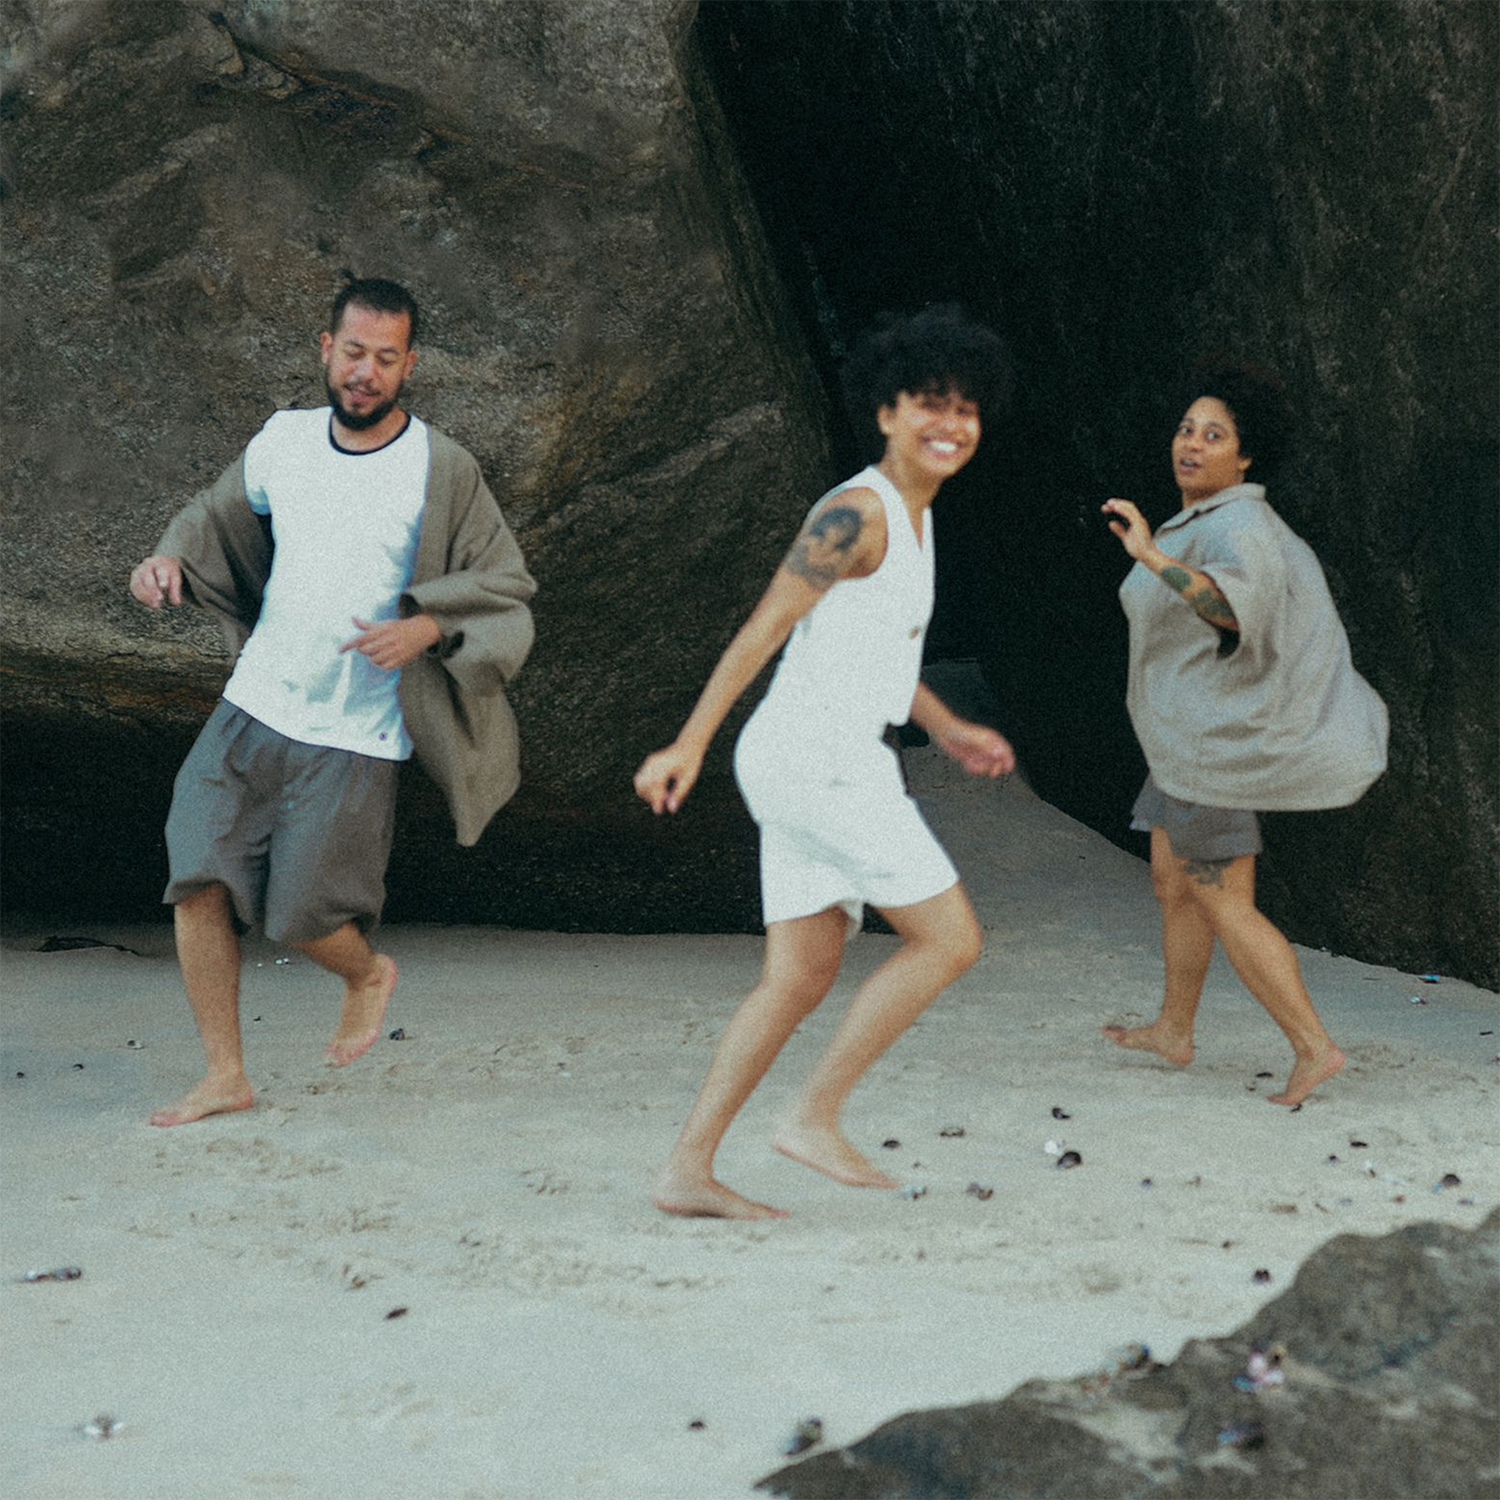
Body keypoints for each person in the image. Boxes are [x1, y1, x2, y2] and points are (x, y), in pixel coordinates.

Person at [634, 306, 1016, 1219]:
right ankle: (813, 1118)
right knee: (951, 939)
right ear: (886, 412)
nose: (949, 425)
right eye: (929, 403)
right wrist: (688, 741)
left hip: (830, 754)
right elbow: (768, 624)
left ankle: (688, 1171)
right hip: (816, 759)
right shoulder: (857, 512)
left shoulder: (915, 519)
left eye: (966, 410)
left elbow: (875, 650)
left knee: (800, 975)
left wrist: (945, 726)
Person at [129, 277, 536, 1127]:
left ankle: (363, 973)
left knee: (305, 916)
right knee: (198, 873)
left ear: (410, 365)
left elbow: (506, 584)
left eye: (387, 359)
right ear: (326, 349)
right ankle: (224, 1073)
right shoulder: (284, 440)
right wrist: (168, 557)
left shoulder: (441, 466)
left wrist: (424, 627)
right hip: (256, 701)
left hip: (359, 728)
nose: (366, 373)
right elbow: (216, 511)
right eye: (354, 353)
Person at [1100, 359, 1387, 1106]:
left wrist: (1151, 557)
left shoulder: (1240, 525)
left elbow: (1231, 610)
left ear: (1246, 455)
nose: (1191, 443)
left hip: (1215, 748)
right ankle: (1174, 1028)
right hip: (1184, 741)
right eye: (1187, 429)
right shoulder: (1203, 518)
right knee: (1172, 883)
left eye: (1214, 434)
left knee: (1223, 897)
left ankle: (1312, 1046)